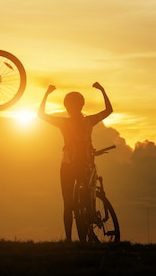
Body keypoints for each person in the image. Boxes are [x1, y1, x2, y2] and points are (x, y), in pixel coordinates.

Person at [37, 82, 113, 242]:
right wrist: (102, 90)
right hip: (85, 164)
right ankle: (88, 217)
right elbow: (108, 110)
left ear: (66, 107)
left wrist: (47, 94)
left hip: (67, 165)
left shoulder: (63, 123)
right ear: (82, 105)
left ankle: (69, 239)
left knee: (68, 204)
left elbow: (41, 114)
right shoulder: (89, 121)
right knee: (88, 195)